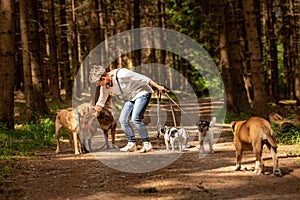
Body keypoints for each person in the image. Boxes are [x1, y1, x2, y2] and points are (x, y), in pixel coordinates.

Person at [89, 65, 165, 153]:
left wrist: (158, 86)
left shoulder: (122, 74)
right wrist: (91, 118)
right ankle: (131, 144)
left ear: (103, 78)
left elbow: (143, 78)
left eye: (98, 83)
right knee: (123, 120)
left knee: (135, 118)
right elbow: (100, 102)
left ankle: (147, 144)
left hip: (142, 92)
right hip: (130, 98)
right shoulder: (105, 86)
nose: (98, 85)